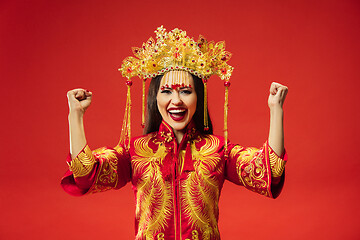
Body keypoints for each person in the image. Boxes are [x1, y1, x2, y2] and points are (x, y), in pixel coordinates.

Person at [61, 26, 288, 240]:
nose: (176, 101)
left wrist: (276, 110)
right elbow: (86, 173)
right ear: (155, 98)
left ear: (199, 98)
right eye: (166, 91)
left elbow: (268, 171)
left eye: (186, 91)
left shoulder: (218, 150)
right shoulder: (136, 151)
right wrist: (75, 116)